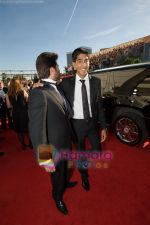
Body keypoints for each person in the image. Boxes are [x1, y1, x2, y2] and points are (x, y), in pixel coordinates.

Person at [28, 52, 76, 215]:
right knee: (57, 176)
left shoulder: (56, 86)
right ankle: (57, 196)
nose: (60, 68)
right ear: (52, 69)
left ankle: (64, 182)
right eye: (57, 66)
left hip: (66, 141)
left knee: (66, 169)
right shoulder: (38, 93)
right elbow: (36, 130)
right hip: (54, 148)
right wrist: (45, 159)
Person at [60, 47, 107, 191]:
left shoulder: (96, 81)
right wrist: (39, 86)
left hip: (92, 123)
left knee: (97, 151)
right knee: (81, 153)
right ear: (73, 64)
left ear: (89, 62)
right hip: (76, 125)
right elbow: (51, 89)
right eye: (79, 61)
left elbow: (99, 105)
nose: (83, 64)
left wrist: (104, 126)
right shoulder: (65, 83)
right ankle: (84, 175)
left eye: (86, 61)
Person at [6, 78, 31, 150]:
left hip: (16, 113)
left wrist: (14, 104)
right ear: (18, 84)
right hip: (24, 112)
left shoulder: (8, 94)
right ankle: (30, 144)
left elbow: (8, 106)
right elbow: (28, 100)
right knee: (27, 130)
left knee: (19, 130)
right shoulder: (22, 91)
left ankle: (23, 145)